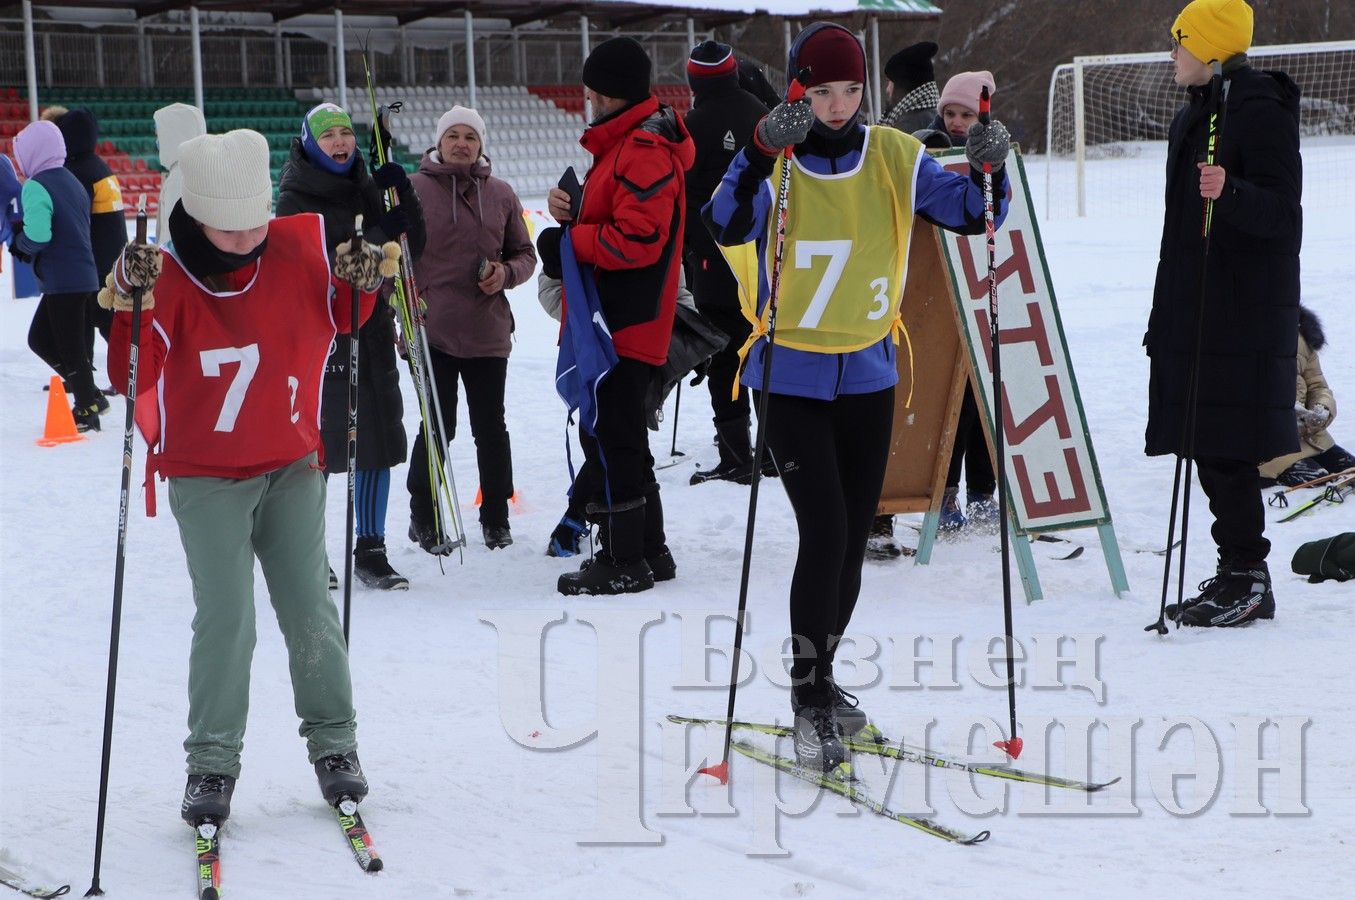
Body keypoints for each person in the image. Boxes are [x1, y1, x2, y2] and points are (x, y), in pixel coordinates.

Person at [704, 22, 1010, 771]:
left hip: (870, 373)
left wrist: (989, 167)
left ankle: (823, 680)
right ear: (797, 91)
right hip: (791, 375)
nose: (837, 106)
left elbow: (976, 215)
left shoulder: (895, 155)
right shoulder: (777, 163)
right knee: (828, 535)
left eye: (849, 90)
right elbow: (721, 221)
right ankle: (808, 703)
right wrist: (756, 149)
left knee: (849, 550)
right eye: (820, 91)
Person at [102, 129, 396, 825]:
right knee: (228, 619)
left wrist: (365, 281)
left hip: (291, 464)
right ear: (195, 215)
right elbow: (129, 376)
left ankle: (335, 744)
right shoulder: (165, 274)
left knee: (309, 611)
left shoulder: (293, 244)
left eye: (253, 223)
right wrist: (125, 303)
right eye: (226, 228)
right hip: (206, 479)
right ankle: (211, 762)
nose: (244, 238)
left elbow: (342, 316)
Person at [1146, 0, 1301, 628]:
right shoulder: (1198, 113)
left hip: (1241, 313)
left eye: (1181, 44)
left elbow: (1283, 217)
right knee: (1204, 438)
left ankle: (1247, 575)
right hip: (1198, 305)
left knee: (1228, 444)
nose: (1173, 56)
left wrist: (1230, 193)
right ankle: (1235, 568)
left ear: (1210, 49)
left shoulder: (1257, 108)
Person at [543, 36, 694, 595]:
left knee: (612, 439)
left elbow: (638, 241)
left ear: (614, 94)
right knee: (621, 433)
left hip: (627, 319)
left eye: (594, 94)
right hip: (621, 315)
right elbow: (619, 214)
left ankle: (623, 559)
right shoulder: (626, 145)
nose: (589, 103)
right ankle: (650, 549)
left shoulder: (644, 148)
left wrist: (568, 242)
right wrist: (574, 209)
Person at [277, 102, 426, 590]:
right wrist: (381, 233)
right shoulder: (295, 197)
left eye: (345, 133)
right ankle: (309, 552)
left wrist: (402, 194)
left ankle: (372, 548)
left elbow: (413, 246)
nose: (340, 142)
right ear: (309, 142)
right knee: (317, 448)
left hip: (373, 327)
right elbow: (318, 264)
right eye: (328, 136)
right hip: (320, 332)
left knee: (376, 440)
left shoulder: (368, 185)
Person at [406, 105, 536, 552]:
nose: (462, 143)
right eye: (453, 136)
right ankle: (423, 514)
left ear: (481, 145)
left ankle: (495, 517)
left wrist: (505, 273)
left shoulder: (500, 193)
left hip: (487, 332)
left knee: (490, 427)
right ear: (439, 142)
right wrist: (402, 312)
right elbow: (394, 258)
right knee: (437, 428)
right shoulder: (413, 189)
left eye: (471, 137)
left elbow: (525, 254)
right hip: (432, 330)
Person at [682, 40, 776, 486]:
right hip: (766, 255)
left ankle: (738, 455)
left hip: (713, 259)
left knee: (725, 353)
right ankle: (775, 452)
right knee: (765, 345)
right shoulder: (761, 110)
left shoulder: (690, 125)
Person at [9, 120, 103, 431]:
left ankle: (86, 406)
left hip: (63, 279)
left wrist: (21, 243)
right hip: (82, 275)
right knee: (43, 339)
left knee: (67, 345)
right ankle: (90, 394)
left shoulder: (37, 186)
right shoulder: (71, 180)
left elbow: (39, 235)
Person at [54, 108, 124, 358]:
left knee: (98, 318)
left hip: (95, 260)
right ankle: (114, 374)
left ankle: (125, 375)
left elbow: (73, 219)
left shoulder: (78, 172)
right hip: (112, 257)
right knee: (98, 318)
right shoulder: (100, 167)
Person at [1258, 307, 1354, 486]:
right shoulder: (1246, 338)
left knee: (1350, 470)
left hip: (1312, 438)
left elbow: (1318, 386)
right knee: (1320, 481)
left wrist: (1322, 410)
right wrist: (1287, 418)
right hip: (1270, 449)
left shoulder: (1300, 336)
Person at [153, 102, 206, 244]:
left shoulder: (180, 177)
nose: (157, 142)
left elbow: (170, 233)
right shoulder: (202, 168)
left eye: (159, 135)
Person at [879, 41, 940, 133]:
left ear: (903, 86)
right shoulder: (935, 117)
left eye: (890, 82)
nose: (887, 89)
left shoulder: (909, 123)